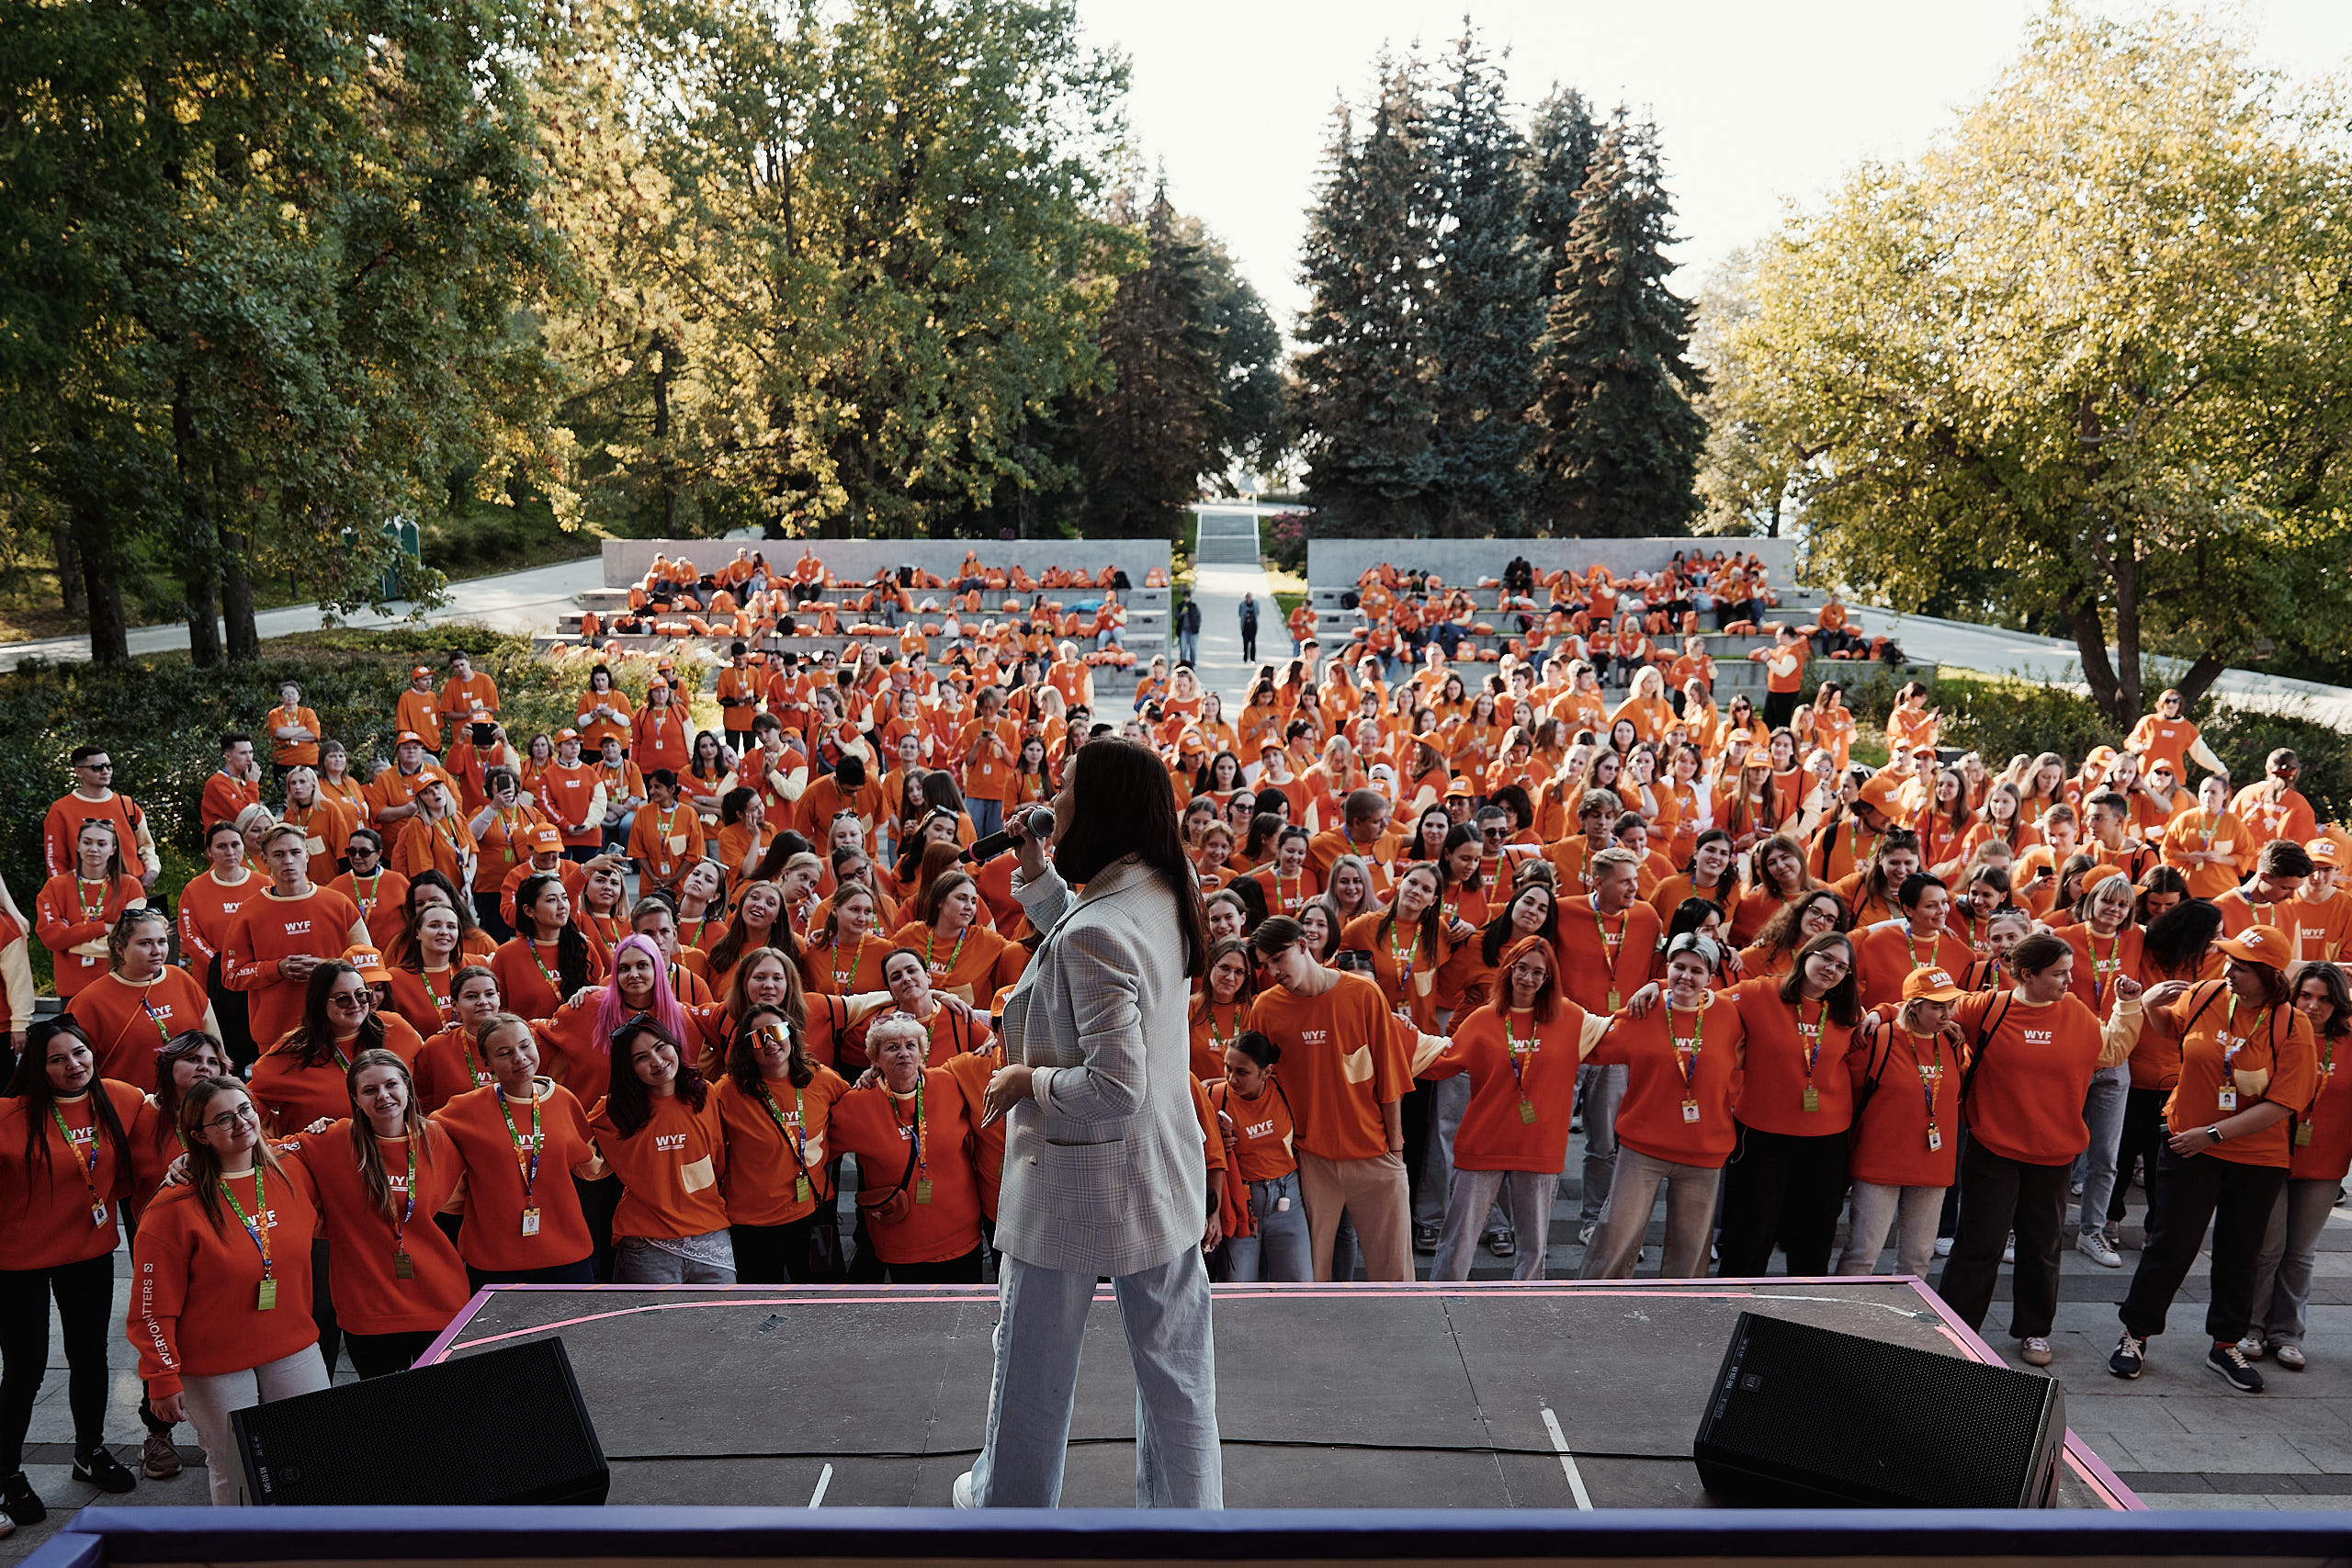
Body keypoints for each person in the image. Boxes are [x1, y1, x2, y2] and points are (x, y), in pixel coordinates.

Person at [961, 735, 1221, 1509]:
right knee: (1176, 1370)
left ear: (1099, 804)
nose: (1052, 796)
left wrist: (1027, 1079)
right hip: (1159, 1172)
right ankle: (1187, 1520)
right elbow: (1086, 938)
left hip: (1074, 1181)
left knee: (1031, 1372)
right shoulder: (1163, 884)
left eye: (1065, 784)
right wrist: (1038, 870)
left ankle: (1012, 1513)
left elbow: (1114, 1083)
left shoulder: (1098, 929)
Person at [1913, 931, 2144, 1369]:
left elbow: (2112, 1050)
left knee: (2041, 1246)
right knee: (1979, 1244)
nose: (2068, 981)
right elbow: (1925, 1005)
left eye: (2069, 972)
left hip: (2054, 1154)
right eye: (2058, 974)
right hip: (1993, 1148)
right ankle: (1957, 1330)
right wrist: (1883, 1013)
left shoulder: (2075, 1012)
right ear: (2027, 974)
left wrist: (2128, 1006)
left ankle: (2034, 1330)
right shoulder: (1988, 1006)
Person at [2110, 925, 2316, 1392]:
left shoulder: (2292, 1025)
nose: (2228, 971)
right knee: (2170, 1245)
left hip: (2255, 1155)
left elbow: (2283, 1103)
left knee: (2240, 1252)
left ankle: (2226, 1344)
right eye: (2228, 961)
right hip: (2188, 1143)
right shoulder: (2205, 995)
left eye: (2240, 967)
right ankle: (2135, 1334)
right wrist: (2148, 1003)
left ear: (2268, 976)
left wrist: (2214, 1134)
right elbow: (2172, 1030)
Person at [127, 1075, 332, 1506]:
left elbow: (351, 1134)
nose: (240, 1123)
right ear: (199, 1136)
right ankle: (241, 1540)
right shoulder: (172, 1206)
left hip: (293, 1343)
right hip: (214, 1362)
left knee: (309, 1447)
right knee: (233, 1465)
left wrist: (323, 1126)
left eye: (244, 1109)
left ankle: (302, 1536)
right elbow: (151, 1305)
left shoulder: (291, 1168)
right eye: (222, 1119)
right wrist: (160, 1376)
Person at [0, 1021, 144, 1519]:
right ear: (37, 1068)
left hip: (89, 1252)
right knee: (26, 1368)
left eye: (79, 1053)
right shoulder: (9, 1115)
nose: (73, 1065)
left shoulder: (123, 1098)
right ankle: (7, 1474)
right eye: (57, 1059)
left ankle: (90, 1451)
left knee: (89, 1357)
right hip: (16, 1261)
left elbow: (180, 1118)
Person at [1423, 936, 1605, 1282]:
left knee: (1533, 1248)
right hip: (1483, 1144)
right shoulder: (1482, 1019)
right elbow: (1441, 1060)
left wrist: (1656, 988)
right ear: (1509, 970)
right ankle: (1442, 1299)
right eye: (1522, 968)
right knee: (1457, 1241)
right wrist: (1398, 1032)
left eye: (1538, 972)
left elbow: (1617, 1031)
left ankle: (1526, 1306)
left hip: (1539, 1148)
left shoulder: (1570, 1017)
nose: (1528, 978)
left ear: (1548, 978)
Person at [1247, 915, 1416, 1282]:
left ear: (1303, 945)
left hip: (1374, 1153)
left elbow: (1390, 1077)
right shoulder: (1265, 1009)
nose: (1273, 971)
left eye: (1278, 959)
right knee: (1310, 1279)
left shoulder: (1364, 994)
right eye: (1265, 965)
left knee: (1396, 1277)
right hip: (1309, 1160)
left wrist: (1396, 1151)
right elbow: (1258, 1086)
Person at [280, 1051, 469, 1377]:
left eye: (391, 1085)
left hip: (439, 1296)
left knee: (441, 1402)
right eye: (370, 1090)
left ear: (407, 1086)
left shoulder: (438, 1138)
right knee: (384, 1403)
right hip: (368, 1307)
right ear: (355, 1099)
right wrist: (191, 1158)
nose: (383, 1096)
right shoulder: (332, 1139)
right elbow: (265, 1154)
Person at [1716, 932, 1861, 1278]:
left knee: (1813, 1237)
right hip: (1762, 1134)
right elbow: (1702, 999)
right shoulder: (1760, 992)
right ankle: (1734, 1301)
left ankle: (1805, 1305)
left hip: (1827, 1138)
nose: (1831, 969)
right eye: (1826, 958)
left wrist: (1883, 1011)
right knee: (1750, 1231)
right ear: (1807, 954)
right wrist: (1658, 988)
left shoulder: (1848, 1012)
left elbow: (1904, 1014)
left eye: (1841, 966)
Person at [433, 1013, 603, 1287]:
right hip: (494, 1259)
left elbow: (590, 1165)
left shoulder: (563, 1099)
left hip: (567, 1252)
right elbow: (419, 1140)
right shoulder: (462, 1110)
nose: (519, 1058)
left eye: (525, 1046)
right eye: (504, 1053)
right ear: (487, 1063)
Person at [2243, 961, 2349, 1369]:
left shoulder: (2348, 1042)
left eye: (2325, 999)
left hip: (2325, 1163)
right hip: (2270, 1156)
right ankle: (2250, 1327)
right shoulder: (2275, 1032)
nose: (2313, 1006)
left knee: (2301, 1253)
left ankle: (2287, 1333)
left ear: (2339, 1003)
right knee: (2267, 1249)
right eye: (2305, 995)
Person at [1838, 965, 1968, 1277]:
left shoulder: (1952, 1042)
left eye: (1950, 1005)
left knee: (1918, 1259)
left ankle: (1907, 1311)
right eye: (1937, 1007)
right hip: (1879, 1163)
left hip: (1933, 1164)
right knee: (1862, 1255)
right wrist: (1884, 1010)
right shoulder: (1879, 1038)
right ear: (1914, 1006)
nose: (1947, 1014)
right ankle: (1843, 1309)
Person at [714, 1005, 850, 1283]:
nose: (769, 1043)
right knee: (761, 1302)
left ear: (790, 1033)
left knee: (824, 1296)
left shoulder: (822, 1078)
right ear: (746, 1048)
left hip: (814, 1215)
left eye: (776, 1031)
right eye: (757, 1037)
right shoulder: (727, 1090)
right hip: (753, 1226)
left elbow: (856, 1112)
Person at [593, 1016, 733, 1282]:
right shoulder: (613, 1110)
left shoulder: (705, 1093)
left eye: (660, 1047)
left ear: (674, 1045)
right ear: (629, 1068)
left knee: (722, 1310)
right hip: (646, 1243)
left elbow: (717, 1158)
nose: (657, 1061)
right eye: (641, 1058)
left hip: (709, 1232)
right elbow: (578, 1148)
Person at [223, 824, 368, 1054]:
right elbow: (231, 975)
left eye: (295, 852)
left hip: (338, 1030)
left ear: (307, 855)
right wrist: (277, 969)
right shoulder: (248, 912)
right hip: (277, 1036)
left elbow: (369, 964)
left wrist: (328, 970)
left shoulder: (339, 904)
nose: (288, 861)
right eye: (279, 855)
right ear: (266, 860)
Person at [64, 908, 218, 1089]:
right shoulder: (89, 1002)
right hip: (127, 1104)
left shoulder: (183, 980)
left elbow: (215, 1046)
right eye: (145, 943)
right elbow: (71, 1070)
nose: (156, 951)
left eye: (162, 942)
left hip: (192, 1101)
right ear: (120, 949)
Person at [1207, 1032, 1307, 1282]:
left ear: (1267, 1072)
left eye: (1242, 1072)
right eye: (1228, 1068)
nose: (1232, 1078)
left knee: (1298, 1287)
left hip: (1288, 1200)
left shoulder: (1285, 1090)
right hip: (1240, 1206)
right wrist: (1216, 1142)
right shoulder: (1215, 1097)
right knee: (1238, 1291)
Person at [36, 818, 147, 1002]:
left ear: (113, 849)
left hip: (118, 984)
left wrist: (70, 939)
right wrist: (104, 928)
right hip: (72, 990)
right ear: (78, 846)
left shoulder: (130, 886)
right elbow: (51, 938)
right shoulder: (55, 886)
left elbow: (132, 941)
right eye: (87, 842)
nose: (93, 849)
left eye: (101, 844)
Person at [44, 744, 161, 888]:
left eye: (108, 766)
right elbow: (55, 860)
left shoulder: (128, 805)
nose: (105, 771)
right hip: (86, 892)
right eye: (97, 767)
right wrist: (62, 891)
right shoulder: (60, 809)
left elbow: (146, 846)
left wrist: (152, 870)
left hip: (132, 890)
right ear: (79, 772)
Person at [1175, 593, 1201, 667]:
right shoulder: (1180, 606)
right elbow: (1176, 617)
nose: (1186, 599)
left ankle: (1193, 664)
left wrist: (1197, 626)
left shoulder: (1193, 606)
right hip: (1183, 630)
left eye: (1188, 597)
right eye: (1185, 597)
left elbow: (1199, 617)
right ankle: (1182, 664)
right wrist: (1182, 613)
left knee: (1193, 648)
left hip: (1192, 631)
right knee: (1183, 649)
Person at [1238, 593, 1260, 663]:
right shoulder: (1242, 605)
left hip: (1253, 626)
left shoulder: (1255, 604)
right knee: (1245, 643)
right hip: (1245, 626)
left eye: (1250, 597)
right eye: (1247, 598)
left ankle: (1253, 659)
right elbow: (1240, 614)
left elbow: (1257, 613)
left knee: (1253, 642)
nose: (1248, 599)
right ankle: (1245, 658)